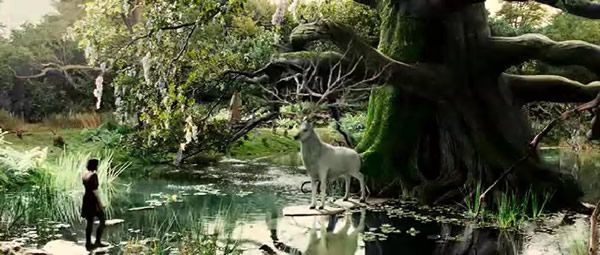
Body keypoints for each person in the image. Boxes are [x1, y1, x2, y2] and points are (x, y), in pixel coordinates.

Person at [81, 159, 108, 251]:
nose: (98, 166)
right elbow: (95, 191)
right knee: (102, 220)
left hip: (86, 199)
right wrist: (101, 204)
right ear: (95, 165)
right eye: (97, 165)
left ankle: (88, 243)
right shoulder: (94, 175)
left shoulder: (84, 174)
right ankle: (97, 241)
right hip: (93, 200)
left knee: (89, 222)